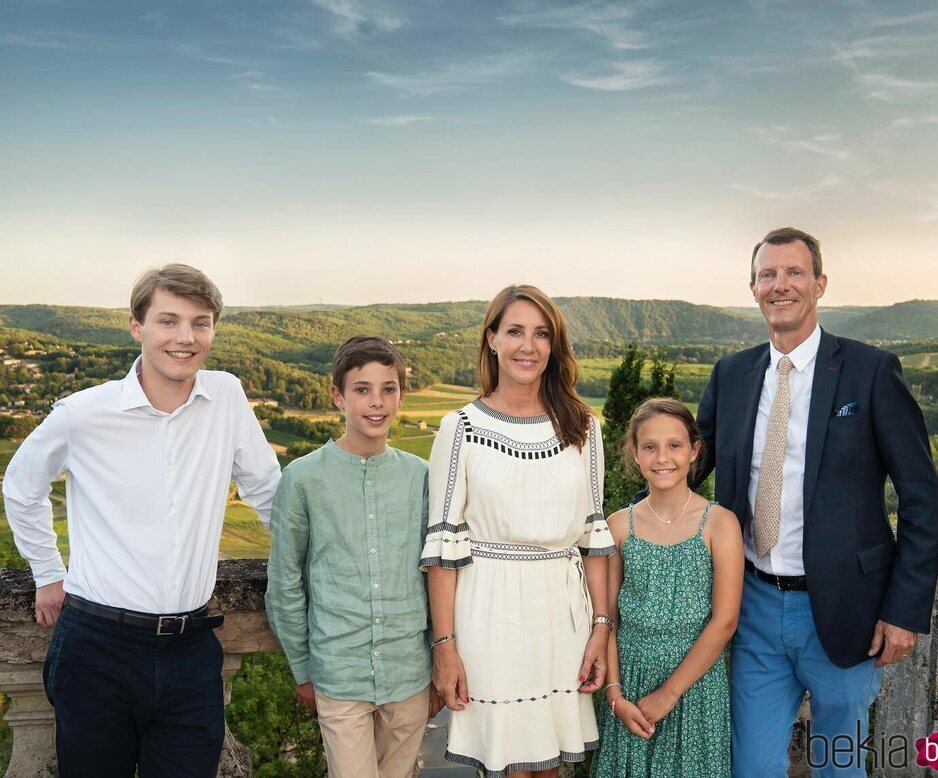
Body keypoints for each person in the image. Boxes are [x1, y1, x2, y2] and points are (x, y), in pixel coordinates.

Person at [2, 264, 282, 778]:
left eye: (200, 323)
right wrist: (46, 570)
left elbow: (266, 490)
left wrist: (303, 564)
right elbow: (21, 486)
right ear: (137, 326)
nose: (185, 337)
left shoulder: (227, 397)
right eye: (168, 321)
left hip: (192, 648)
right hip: (96, 648)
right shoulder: (84, 412)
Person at [696, 227, 938, 775]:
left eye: (794, 273)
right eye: (768, 274)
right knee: (751, 767)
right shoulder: (731, 375)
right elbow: (684, 466)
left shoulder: (871, 371)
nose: (780, 285)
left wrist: (902, 611)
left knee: (842, 766)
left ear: (820, 283)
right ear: (753, 287)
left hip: (844, 611)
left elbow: (922, 499)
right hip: (752, 605)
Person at [422, 284, 615, 778]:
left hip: (562, 612)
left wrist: (600, 627)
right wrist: (444, 646)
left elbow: (594, 538)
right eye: (514, 331)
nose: (528, 346)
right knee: (507, 761)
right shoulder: (460, 427)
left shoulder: (583, 426)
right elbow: (443, 549)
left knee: (551, 765)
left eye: (541, 334)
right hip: (489, 613)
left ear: (554, 346)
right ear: (491, 340)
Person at [265, 335, 439, 778]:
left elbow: (438, 574)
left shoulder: (422, 477)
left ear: (401, 394)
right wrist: (302, 668)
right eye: (362, 389)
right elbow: (285, 581)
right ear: (338, 396)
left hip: (409, 673)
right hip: (339, 674)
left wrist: (440, 660)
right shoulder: (302, 480)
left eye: (388, 388)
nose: (376, 402)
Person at [592, 397, 742, 778]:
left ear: (694, 451)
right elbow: (606, 616)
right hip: (630, 684)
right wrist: (614, 695)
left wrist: (668, 694)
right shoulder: (619, 526)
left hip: (694, 686)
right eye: (650, 447)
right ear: (635, 453)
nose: (663, 457)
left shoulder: (719, 523)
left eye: (674, 445)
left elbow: (724, 621)